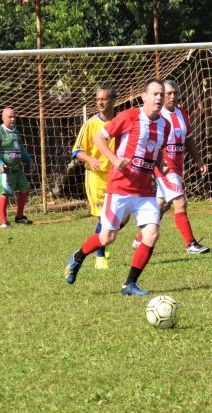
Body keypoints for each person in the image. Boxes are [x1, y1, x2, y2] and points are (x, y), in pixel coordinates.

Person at [64, 79, 171, 296]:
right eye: (155, 94)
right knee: (107, 238)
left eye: (162, 94)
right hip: (120, 188)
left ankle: (129, 284)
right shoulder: (130, 116)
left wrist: (160, 164)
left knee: (151, 234)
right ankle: (78, 256)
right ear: (144, 97)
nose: (159, 98)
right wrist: (114, 160)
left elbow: (156, 152)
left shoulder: (164, 125)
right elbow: (99, 138)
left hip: (144, 191)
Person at [132, 80, 210, 254]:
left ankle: (140, 239)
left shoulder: (182, 113)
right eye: (168, 93)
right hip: (164, 167)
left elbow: (189, 138)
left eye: (175, 92)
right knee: (180, 201)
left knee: (162, 204)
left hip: (178, 165)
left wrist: (198, 160)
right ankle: (191, 244)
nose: (172, 96)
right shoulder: (157, 116)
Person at [71, 85, 117, 269]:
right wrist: (91, 159)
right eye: (97, 99)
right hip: (96, 177)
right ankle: (100, 257)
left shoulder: (119, 122)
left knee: (121, 218)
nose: (99, 102)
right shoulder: (90, 124)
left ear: (113, 100)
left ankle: (101, 241)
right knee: (103, 219)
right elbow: (76, 151)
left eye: (103, 99)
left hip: (116, 177)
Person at [0, 107, 34, 227]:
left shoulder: (17, 133)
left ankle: (19, 217)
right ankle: (3, 221)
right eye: (10, 117)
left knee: (25, 188)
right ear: (3, 118)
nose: (13, 119)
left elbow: (21, 149)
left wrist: (29, 160)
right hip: (4, 171)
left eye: (14, 116)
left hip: (17, 169)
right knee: (5, 193)